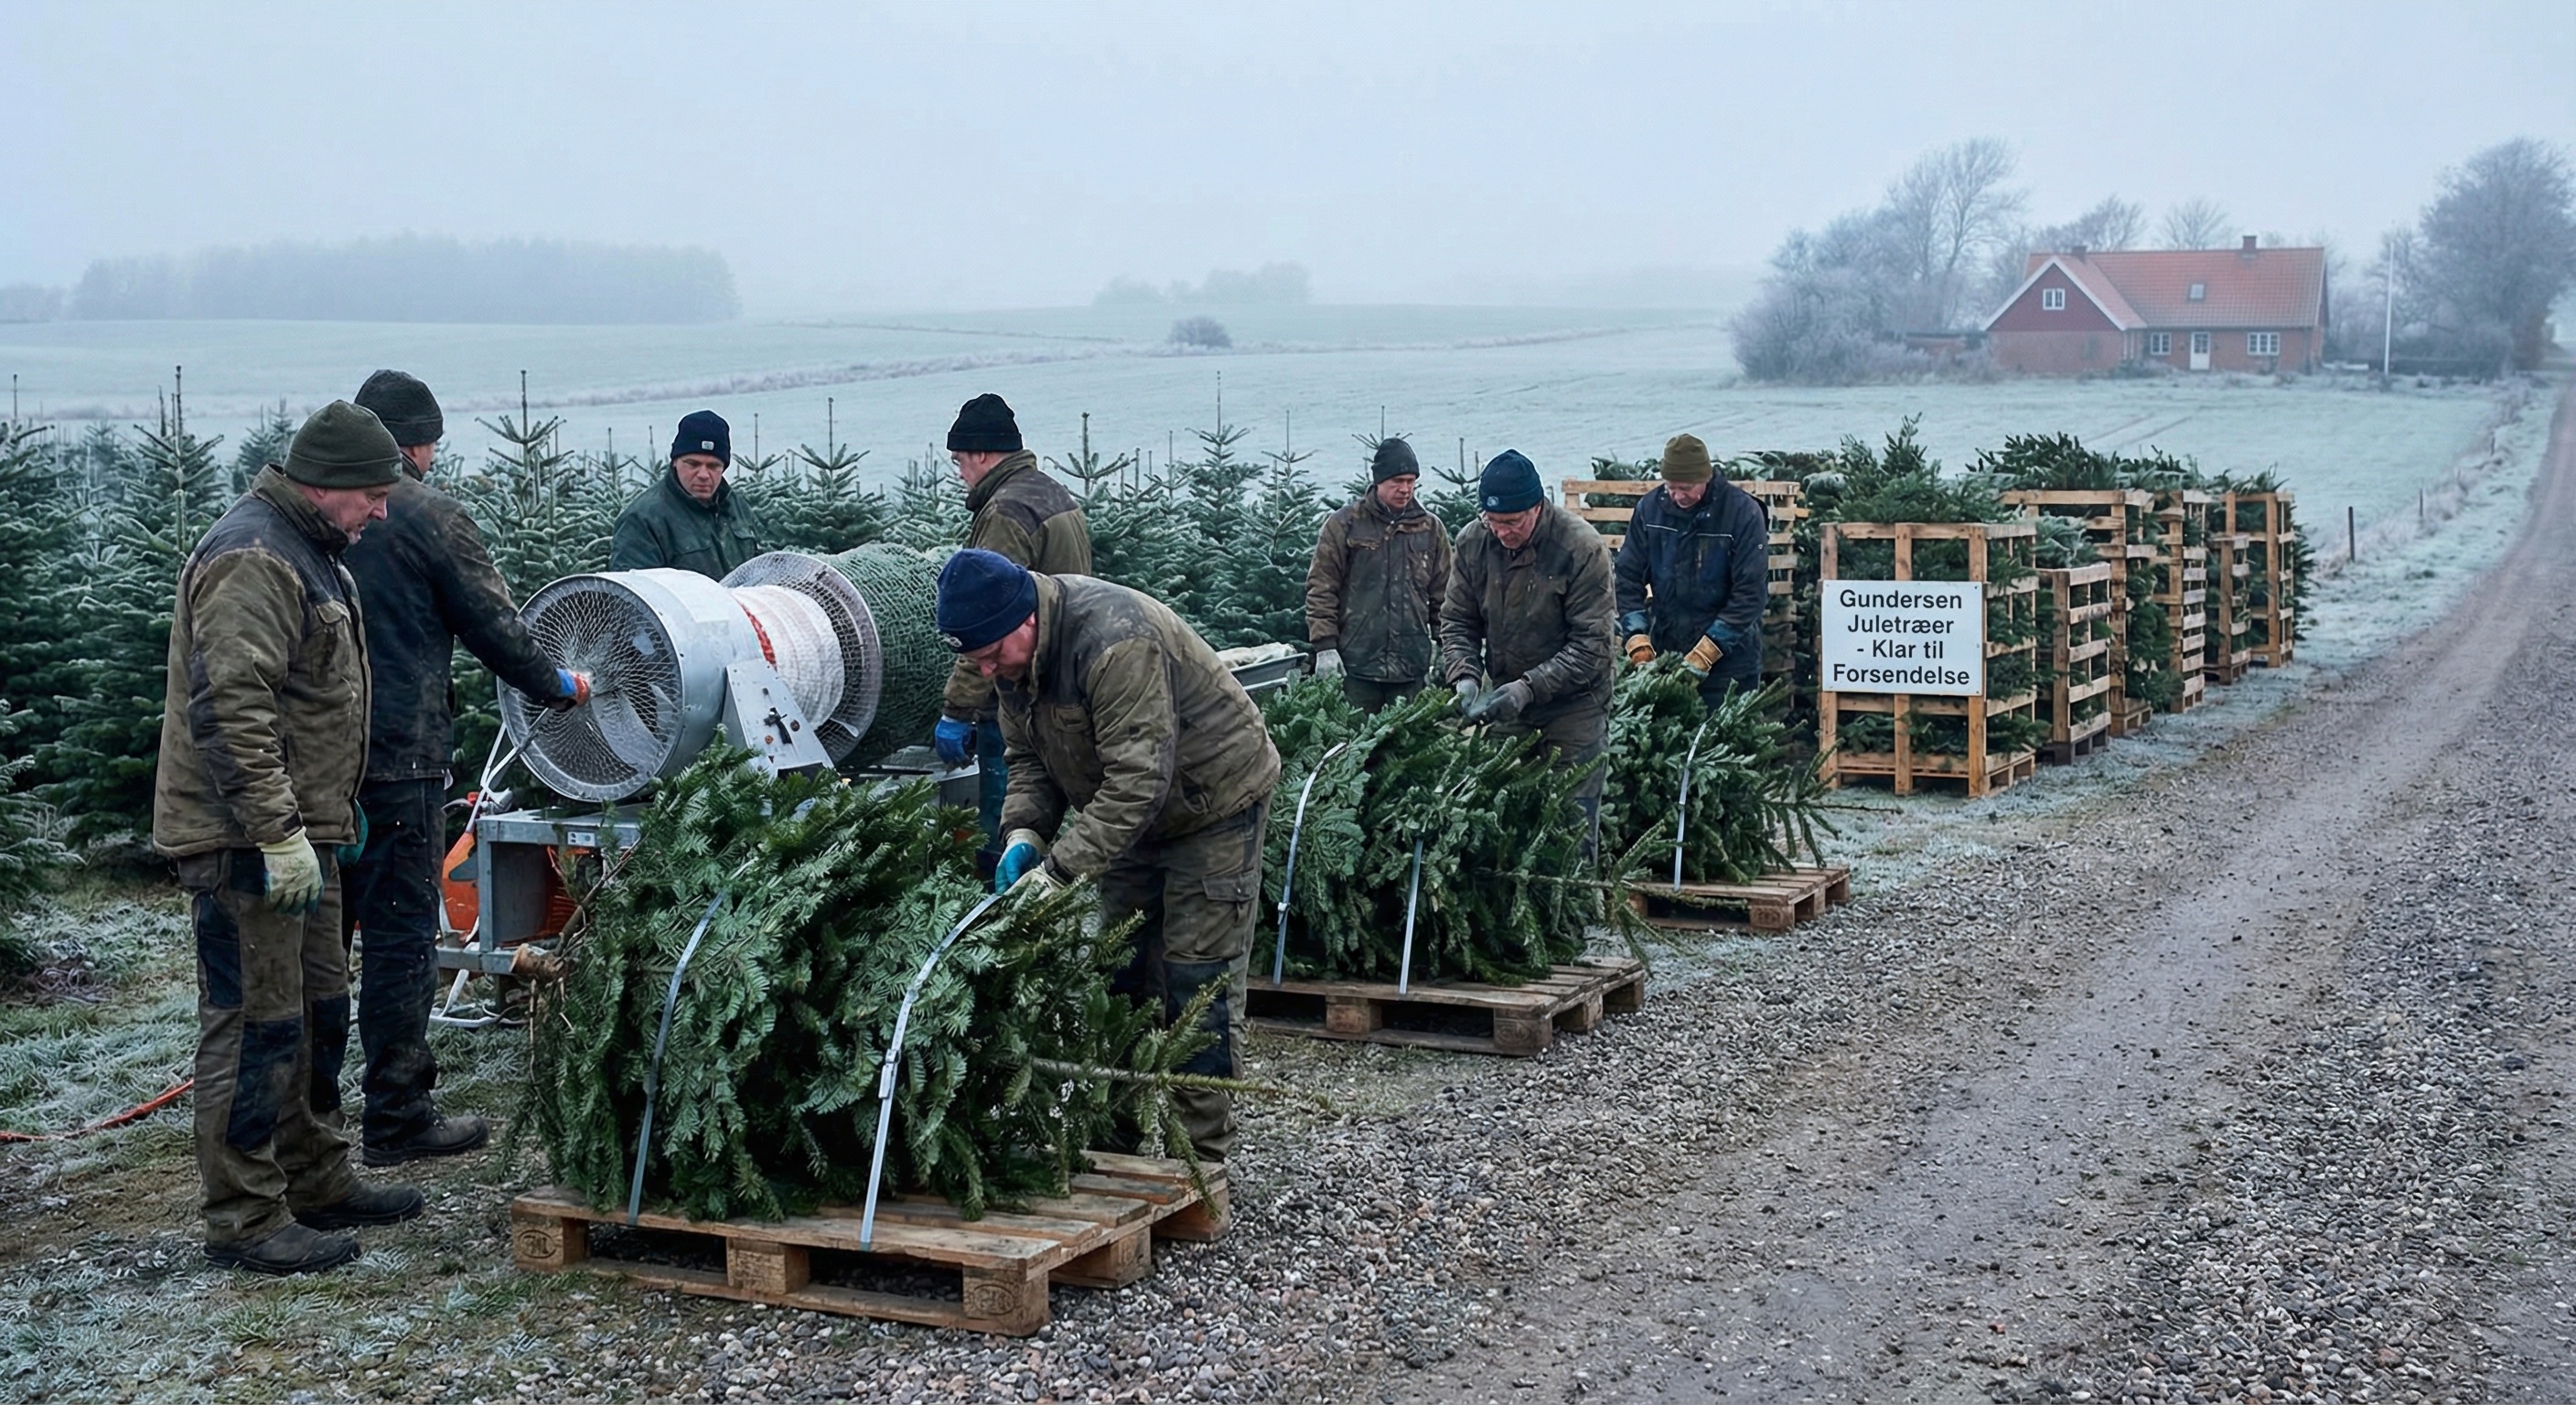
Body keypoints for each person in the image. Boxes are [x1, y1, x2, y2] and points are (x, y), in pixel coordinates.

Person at [152, 402, 426, 1275]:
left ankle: (313, 1176)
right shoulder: (255, 557)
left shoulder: (311, 547)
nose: (381, 511)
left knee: (314, 1014)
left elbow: (316, 698)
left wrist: (332, 815)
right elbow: (232, 705)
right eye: (373, 496)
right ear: (328, 485)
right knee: (253, 1024)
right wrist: (276, 833)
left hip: (307, 835)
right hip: (248, 845)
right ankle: (244, 1216)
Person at [937, 549, 1280, 1162]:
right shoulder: (1011, 664)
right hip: (1125, 818)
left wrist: (1061, 871)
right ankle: (1115, 1142)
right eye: (975, 660)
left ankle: (1202, 1160)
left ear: (1026, 622)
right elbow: (1029, 762)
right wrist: (1024, 835)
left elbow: (1139, 781)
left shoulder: (1115, 642)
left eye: (991, 655)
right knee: (1119, 975)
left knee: (1195, 980)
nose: (987, 671)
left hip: (1211, 805)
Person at [341, 370, 590, 1166]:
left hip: (319, 764)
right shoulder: (428, 515)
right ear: (412, 444)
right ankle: (397, 1115)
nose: (432, 459)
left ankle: (306, 1121)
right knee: (400, 934)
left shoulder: (314, 515)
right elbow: (496, 626)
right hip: (402, 758)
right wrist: (561, 687)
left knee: (324, 938)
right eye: (431, 444)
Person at [928, 393, 1092, 876]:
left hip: (1017, 686)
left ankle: (995, 913)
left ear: (981, 453)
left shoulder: (1005, 511)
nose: (960, 472)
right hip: (1064, 670)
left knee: (1005, 814)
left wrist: (957, 709)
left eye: (960, 460)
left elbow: (986, 620)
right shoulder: (1050, 493)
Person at [1437, 449, 1617, 839]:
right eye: (1493, 521)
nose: (1501, 532)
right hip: (1506, 706)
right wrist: (1465, 674)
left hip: (1575, 710)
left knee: (1571, 830)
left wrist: (1528, 687)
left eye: (1512, 522)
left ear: (1537, 507)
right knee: (1502, 824)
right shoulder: (1473, 543)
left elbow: (1592, 646)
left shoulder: (1581, 549)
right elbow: (1457, 621)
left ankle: (1577, 899)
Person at [1613, 433, 1769, 704]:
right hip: (1667, 650)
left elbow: (1749, 594)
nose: (1677, 496)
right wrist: (1636, 636)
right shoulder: (1649, 511)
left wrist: (1707, 651)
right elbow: (1627, 576)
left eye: (1686, 487)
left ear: (1705, 478)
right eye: (1671, 487)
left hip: (1731, 663)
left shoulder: (1742, 513)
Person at [1304, 436, 1451, 713]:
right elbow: (1321, 588)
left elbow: (1446, 596)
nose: (1405, 489)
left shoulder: (1431, 529)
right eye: (1397, 481)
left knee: (1408, 754)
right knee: (1354, 750)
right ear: (1379, 480)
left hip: (1411, 668)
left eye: (1411, 481)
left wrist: (1448, 647)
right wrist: (1324, 646)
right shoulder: (1344, 525)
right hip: (1357, 667)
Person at [608, 409, 767, 577]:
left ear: (724, 468)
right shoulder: (642, 520)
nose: (703, 475)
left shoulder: (737, 506)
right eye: (693, 464)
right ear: (675, 461)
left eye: (713, 466)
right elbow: (633, 595)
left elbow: (760, 568)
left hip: (738, 603)